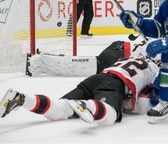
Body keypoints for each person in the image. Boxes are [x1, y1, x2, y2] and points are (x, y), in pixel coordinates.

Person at [0, 48, 159, 126]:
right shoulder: (154, 71)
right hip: (115, 84)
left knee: (61, 108)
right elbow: (144, 104)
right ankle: (86, 104)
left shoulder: (129, 58)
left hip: (96, 79)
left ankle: (22, 99)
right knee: (109, 117)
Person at [26, 41, 131, 77]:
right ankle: (41, 62)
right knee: (98, 64)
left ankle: (43, 61)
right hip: (124, 52)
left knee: (97, 63)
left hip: (123, 51)